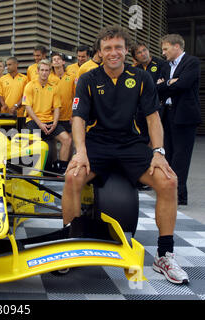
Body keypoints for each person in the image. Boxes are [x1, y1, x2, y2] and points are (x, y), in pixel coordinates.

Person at [62, 25, 188, 284]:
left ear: (126, 50)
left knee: (169, 181)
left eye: (118, 47)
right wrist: (80, 152)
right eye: (107, 48)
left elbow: (153, 118)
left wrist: (159, 153)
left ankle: (164, 256)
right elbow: (78, 118)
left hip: (131, 143)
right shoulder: (87, 79)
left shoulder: (141, 78)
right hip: (97, 142)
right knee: (73, 177)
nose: (113, 52)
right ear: (99, 52)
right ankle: (69, 247)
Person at [157, 34, 202, 206]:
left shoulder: (192, 62)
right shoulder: (165, 66)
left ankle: (179, 196)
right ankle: (169, 191)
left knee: (181, 157)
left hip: (185, 117)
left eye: (165, 48)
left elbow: (184, 84)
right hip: (167, 114)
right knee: (167, 154)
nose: (163, 52)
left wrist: (166, 84)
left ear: (177, 47)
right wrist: (170, 83)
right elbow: (158, 88)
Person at [22, 59, 72, 175]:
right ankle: (34, 170)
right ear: (38, 71)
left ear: (50, 72)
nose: (44, 73)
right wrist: (40, 124)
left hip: (49, 120)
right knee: (33, 142)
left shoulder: (54, 87)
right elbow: (28, 107)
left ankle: (62, 169)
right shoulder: (30, 85)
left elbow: (57, 108)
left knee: (67, 139)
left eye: (47, 70)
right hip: (34, 120)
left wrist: (54, 123)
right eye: (42, 70)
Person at [130, 41, 166, 145]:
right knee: (142, 138)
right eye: (139, 53)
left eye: (144, 50)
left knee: (156, 138)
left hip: (158, 107)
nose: (143, 54)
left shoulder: (161, 64)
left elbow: (164, 86)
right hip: (140, 109)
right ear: (135, 57)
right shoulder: (135, 69)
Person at [49, 53, 75, 169]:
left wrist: (74, 114)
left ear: (63, 62)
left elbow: (75, 97)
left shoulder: (70, 77)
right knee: (54, 142)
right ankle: (56, 165)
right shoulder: (49, 78)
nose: (56, 61)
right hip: (53, 117)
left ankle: (65, 167)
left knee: (69, 143)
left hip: (68, 116)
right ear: (51, 63)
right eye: (54, 60)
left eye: (58, 59)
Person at [0, 57, 27, 130]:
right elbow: (0, 95)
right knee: (6, 136)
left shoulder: (24, 78)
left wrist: (16, 106)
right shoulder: (2, 79)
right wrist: (4, 105)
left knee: (19, 136)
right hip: (6, 113)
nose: (7, 67)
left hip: (20, 114)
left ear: (16, 65)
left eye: (9, 65)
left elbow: (25, 96)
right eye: (7, 65)